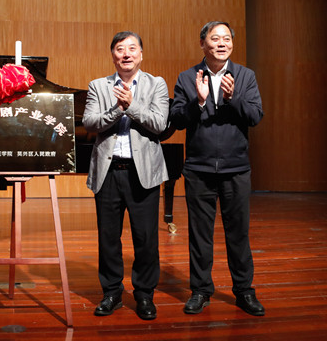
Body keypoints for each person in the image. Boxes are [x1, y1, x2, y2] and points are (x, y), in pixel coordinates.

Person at [170, 21, 265, 316]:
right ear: (203, 44)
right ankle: (200, 290)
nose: (222, 43)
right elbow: (176, 119)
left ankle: (244, 291)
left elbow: (255, 116)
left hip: (236, 168)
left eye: (227, 38)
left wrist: (232, 98)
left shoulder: (245, 76)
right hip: (198, 168)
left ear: (232, 44)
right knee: (200, 234)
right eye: (215, 38)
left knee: (238, 233)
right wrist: (198, 102)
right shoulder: (187, 77)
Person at [83, 31, 169, 320]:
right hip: (108, 172)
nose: (126, 54)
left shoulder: (156, 84)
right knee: (108, 237)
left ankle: (144, 294)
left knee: (146, 238)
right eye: (120, 49)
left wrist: (131, 106)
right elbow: (90, 122)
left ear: (141, 55)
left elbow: (159, 124)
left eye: (132, 48)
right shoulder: (99, 86)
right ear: (113, 55)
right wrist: (115, 110)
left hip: (142, 172)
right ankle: (111, 293)